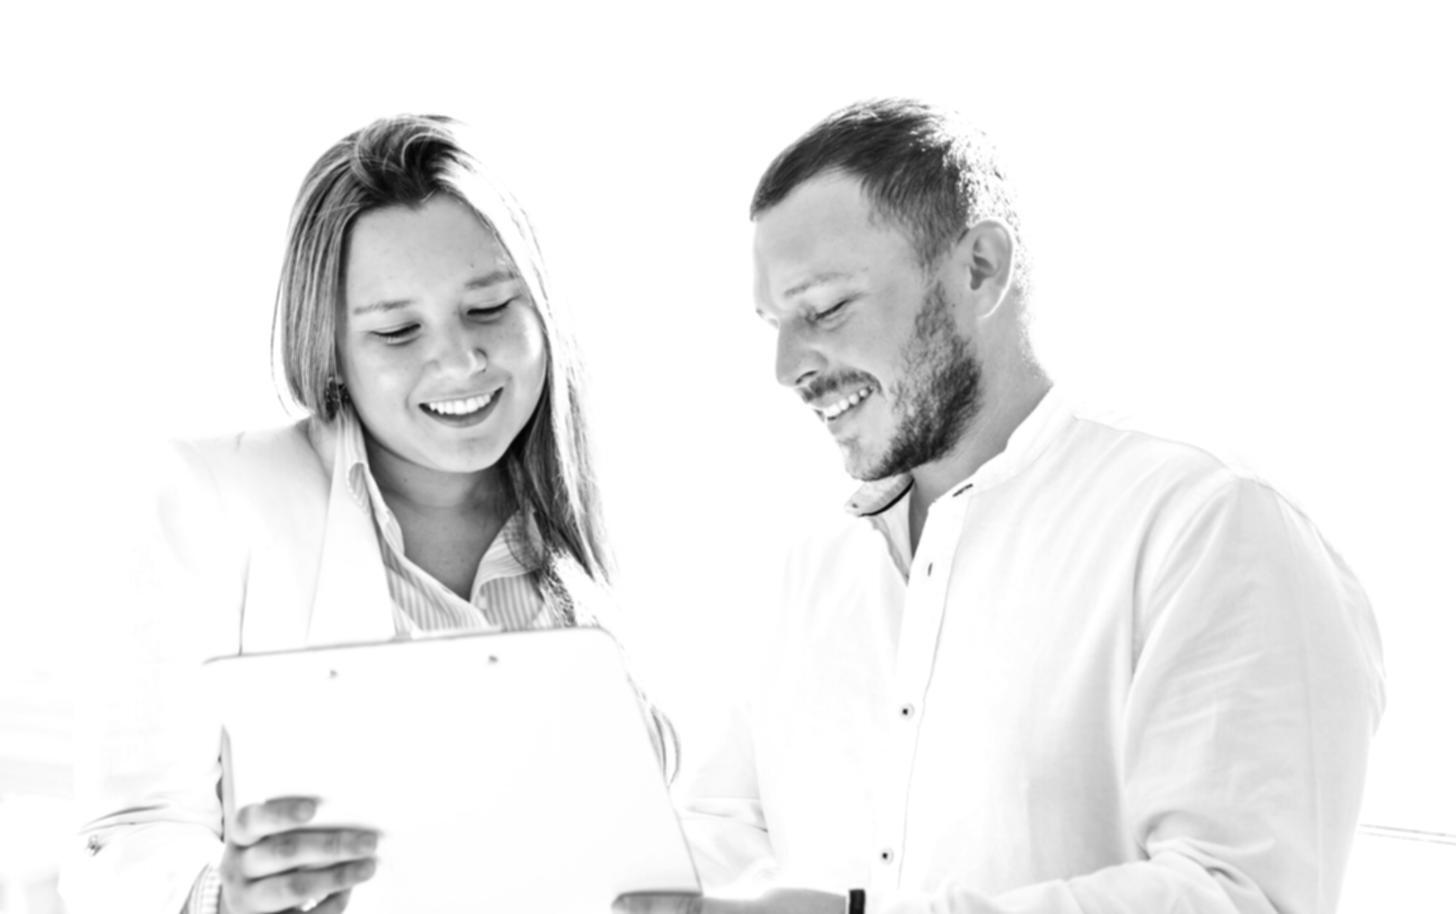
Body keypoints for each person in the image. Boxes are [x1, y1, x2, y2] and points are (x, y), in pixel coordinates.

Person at [620, 99, 1385, 914]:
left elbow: (1245, 896)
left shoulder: (1208, 523)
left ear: (979, 267)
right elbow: (727, 832)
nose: (786, 365)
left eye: (826, 308)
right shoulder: (802, 569)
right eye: (775, 322)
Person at [63, 114, 673, 914]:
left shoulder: (615, 522)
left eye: (489, 308)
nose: (457, 360)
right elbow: (123, 837)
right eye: (396, 330)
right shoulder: (212, 498)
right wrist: (225, 898)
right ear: (332, 351)